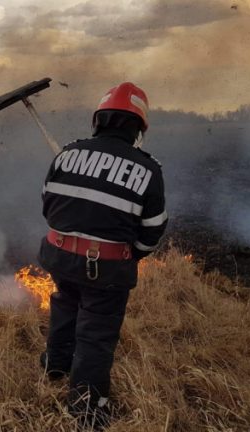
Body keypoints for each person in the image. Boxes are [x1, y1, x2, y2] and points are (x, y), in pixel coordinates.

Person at [37, 83, 167, 428]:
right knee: (96, 331)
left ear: (99, 120)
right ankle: (87, 407)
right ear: (138, 127)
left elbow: (47, 204)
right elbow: (153, 229)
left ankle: (56, 365)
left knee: (66, 301)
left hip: (59, 254)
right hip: (105, 268)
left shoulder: (66, 153)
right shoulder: (148, 169)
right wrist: (131, 255)